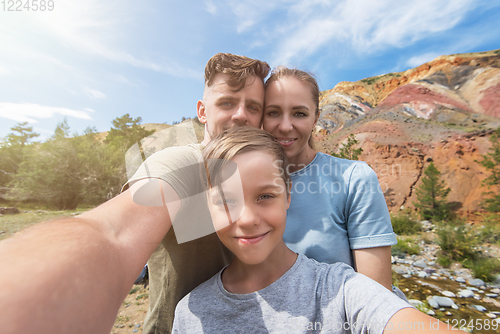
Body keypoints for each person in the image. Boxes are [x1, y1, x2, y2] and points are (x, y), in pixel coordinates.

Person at [0, 53, 270, 334]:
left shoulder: (259, 174)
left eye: (253, 106)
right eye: (227, 103)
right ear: (202, 111)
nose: (241, 115)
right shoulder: (180, 164)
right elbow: (113, 233)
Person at [172, 126, 461, 333]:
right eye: (226, 201)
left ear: (288, 195)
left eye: (265, 196)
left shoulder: (340, 291)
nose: (247, 219)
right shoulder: (189, 311)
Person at [263, 67, 398, 293]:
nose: (285, 126)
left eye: (299, 113)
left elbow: (376, 297)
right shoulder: (238, 183)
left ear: (316, 118)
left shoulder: (354, 179)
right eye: (273, 112)